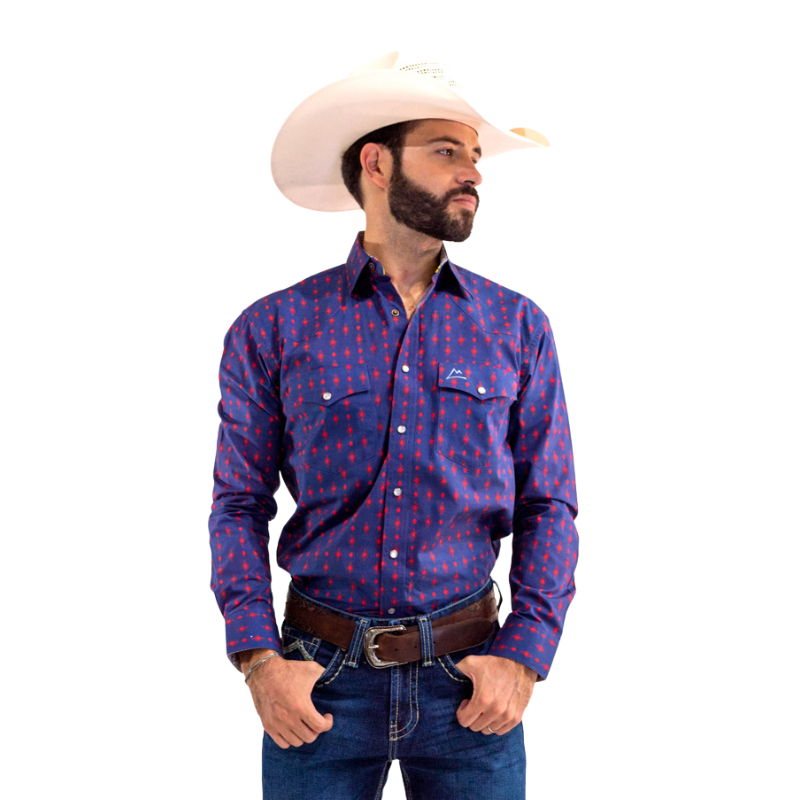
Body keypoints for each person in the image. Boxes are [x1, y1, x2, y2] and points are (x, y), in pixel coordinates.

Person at [208, 51, 579, 800]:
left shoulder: (517, 326)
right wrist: (259, 661)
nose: (472, 173)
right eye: (446, 152)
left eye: (475, 157)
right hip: (317, 683)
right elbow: (238, 505)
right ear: (377, 164)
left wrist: (525, 653)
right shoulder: (274, 327)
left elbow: (550, 503)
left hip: (470, 684)